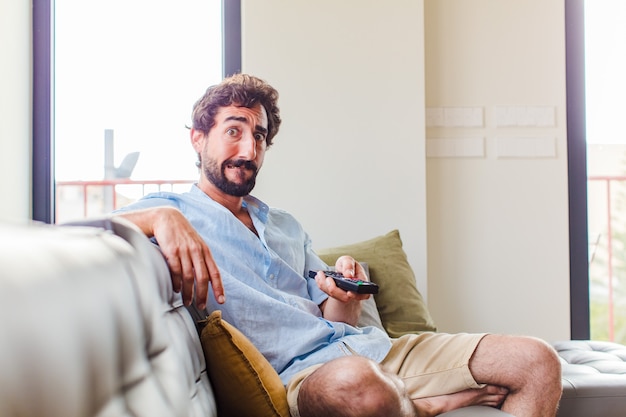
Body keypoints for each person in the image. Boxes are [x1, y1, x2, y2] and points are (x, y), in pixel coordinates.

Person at [114, 73, 562, 417]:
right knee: (359, 387)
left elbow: (335, 317)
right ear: (198, 136)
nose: (249, 149)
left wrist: (343, 291)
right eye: (234, 130)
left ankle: (406, 399)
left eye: (260, 136)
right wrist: (159, 216)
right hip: (310, 376)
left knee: (536, 361)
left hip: (373, 349)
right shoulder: (172, 210)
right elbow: (65, 231)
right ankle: (422, 405)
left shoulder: (285, 225)